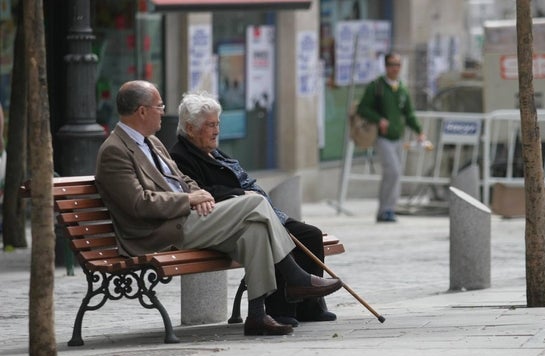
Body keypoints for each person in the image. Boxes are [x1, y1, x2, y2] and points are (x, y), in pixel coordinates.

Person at [95, 80, 343, 337]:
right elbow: (139, 204)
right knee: (255, 201)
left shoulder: (154, 143)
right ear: (142, 111)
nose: (163, 110)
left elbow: (182, 180)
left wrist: (197, 193)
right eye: (159, 106)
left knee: (255, 230)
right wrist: (189, 200)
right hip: (160, 231)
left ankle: (258, 315)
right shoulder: (115, 150)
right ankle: (295, 277)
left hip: (188, 217)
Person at [170, 91, 336, 327]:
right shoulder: (181, 156)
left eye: (217, 123)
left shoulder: (214, 151)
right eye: (209, 125)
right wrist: (240, 194)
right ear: (189, 127)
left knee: (311, 234)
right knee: (273, 234)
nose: (216, 130)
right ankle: (281, 308)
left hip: (255, 208)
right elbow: (203, 192)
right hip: (232, 218)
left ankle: (309, 305)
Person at [357, 53, 426, 223]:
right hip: (383, 137)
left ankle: (388, 209)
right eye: (391, 64)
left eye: (397, 65)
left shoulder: (402, 88)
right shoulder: (377, 86)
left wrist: (419, 131)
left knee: (394, 174)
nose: (394, 68)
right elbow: (362, 108)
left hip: (397, 137)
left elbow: (408, 113)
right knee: (393, 171)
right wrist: (378, 119)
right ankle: (385, 209)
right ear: (385, 66)